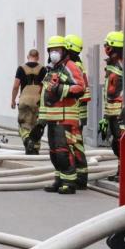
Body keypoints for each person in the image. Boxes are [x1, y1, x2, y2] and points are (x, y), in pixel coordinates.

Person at [39, 35, 86, 195]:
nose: (54, 53)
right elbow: (45, 95)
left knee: (63, 152)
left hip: (66, 117)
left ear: (64, 51)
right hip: (53, 118)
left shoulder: (70, 66)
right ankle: (59, 179)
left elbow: (81, 87)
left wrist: (61, 89)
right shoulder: (51, 69)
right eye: (51, 50)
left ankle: (69, 182)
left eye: (57, 50)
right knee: (54, 153)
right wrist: (41, 121)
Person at [65, 34, 90, 189]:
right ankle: (78, 175)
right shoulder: (78, 65)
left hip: (76, 112)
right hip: (79, 112)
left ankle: (80, 177)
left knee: (76, 145)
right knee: (75, 145)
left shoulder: (74, 67)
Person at [11, 49, 46, 155]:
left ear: (28, 56)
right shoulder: (43, 69)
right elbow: (46, 86)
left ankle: (27, 140)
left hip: (24, 100)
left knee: (24, 124)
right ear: (38, 57)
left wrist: (13, 99)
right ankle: (35, 148)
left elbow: (16, 86)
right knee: (36, 125)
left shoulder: (21, 69)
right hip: (38, 100)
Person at [101, 31, 124, 181]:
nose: (105, 48)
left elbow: (116, 91)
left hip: (120, 113)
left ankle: (123, 172)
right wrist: (105, 117)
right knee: (116, 144)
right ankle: (120, 171)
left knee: (121, 144)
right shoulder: (112, 65)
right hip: (112, 113)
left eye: (107, 46)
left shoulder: (121, 65)